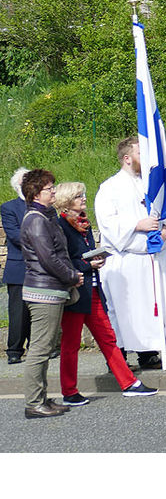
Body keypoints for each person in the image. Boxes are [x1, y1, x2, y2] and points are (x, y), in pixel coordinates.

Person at [94, 137, 166, 369]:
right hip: (128, 259)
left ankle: (149, 352)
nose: (147, 158)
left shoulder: (153, 185)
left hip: (156, 257)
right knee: (125, 310)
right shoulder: (109, 188)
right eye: (141, 153)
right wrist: (137, 225)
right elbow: (107, 222)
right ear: (127, 158)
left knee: (154, 305)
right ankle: (119, 358)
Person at [54, 182, 156, 406]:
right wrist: (86, 263)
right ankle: (69, 391)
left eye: (83, 195)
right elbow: (60, 260)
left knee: (108, 337)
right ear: (66, 201)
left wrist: (95, 259)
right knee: (70, 344)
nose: (83, 199)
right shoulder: (59, 225)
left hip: (92, 288)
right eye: (78, 196)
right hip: (74, 290)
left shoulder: (84, 223)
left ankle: (129, 383)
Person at [19, 169, 82, 418]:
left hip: (50, 289)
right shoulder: (36, 219)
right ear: (35, 193)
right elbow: (48, 258)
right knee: (40, 349)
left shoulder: (45, 217)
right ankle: (34, 402)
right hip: (44, 291)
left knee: (43, 347)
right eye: (49, 188)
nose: (54, 191)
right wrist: (72, 276)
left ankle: (41, 398)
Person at [3, 167, 32, 364]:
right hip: (19, 267)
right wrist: (41, 240)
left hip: (42, 268)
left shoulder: (44, 206)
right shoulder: (9, 207)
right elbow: (14, 235)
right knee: (18, 312)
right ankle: (14, 350)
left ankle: (39, 347)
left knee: (40, 310)